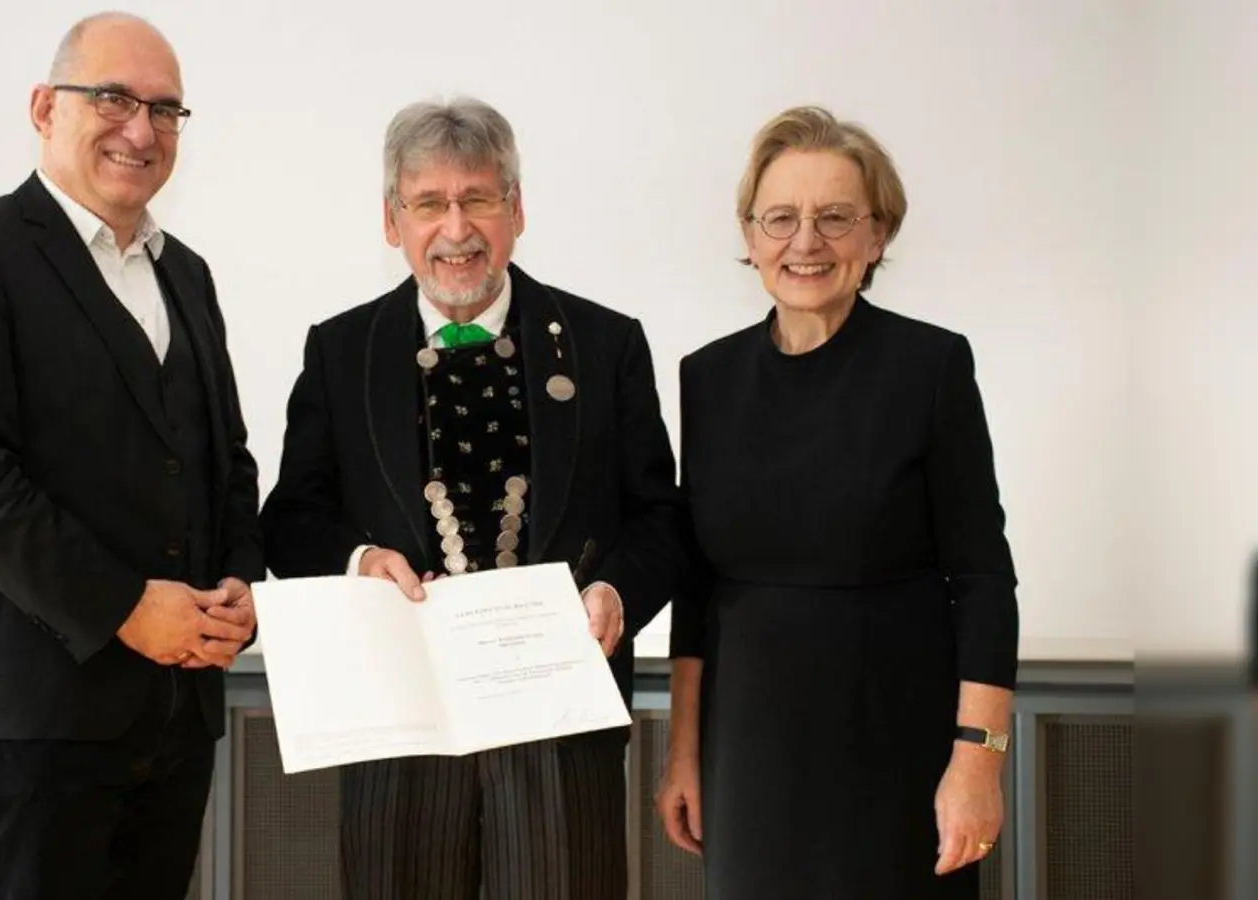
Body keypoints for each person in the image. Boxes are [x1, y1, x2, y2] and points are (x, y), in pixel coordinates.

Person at [259, 96, 684, 900]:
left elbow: (661, 519)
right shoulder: (341, 351)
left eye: (478, 198)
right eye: (429, 203)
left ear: (516, 209)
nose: (456, 229)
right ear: (392, 220)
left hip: (561, 729)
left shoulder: (605, 344)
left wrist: (616, 593)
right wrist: (359, 560)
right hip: (399, 736)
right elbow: (291, 520)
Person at [0, 13, 262, 899]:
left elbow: (227, 459)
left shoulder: (188, 274)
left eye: (165, 110)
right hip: (38, 730)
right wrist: (124, 606)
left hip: (178, 723)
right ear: (44, 108)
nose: (142, 129)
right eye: (113, 99)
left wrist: (242, 585)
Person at [656, 106, 1019, 899]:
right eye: (781, 217)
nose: (806, 241)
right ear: (750, 235)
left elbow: (984, 579)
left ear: (877, 234)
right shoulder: (707, 378)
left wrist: (978, 763)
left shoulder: (931, 367)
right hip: (747, 754)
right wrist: (683, 752)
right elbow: (696, 588)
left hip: (898, 744)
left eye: (835, 217)